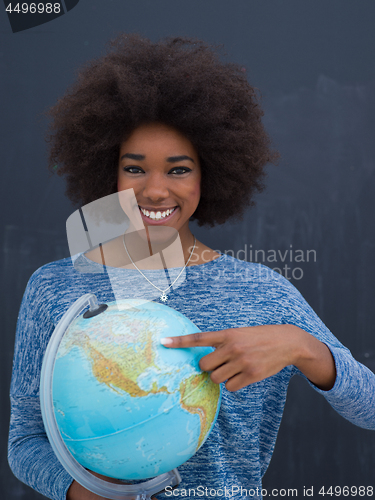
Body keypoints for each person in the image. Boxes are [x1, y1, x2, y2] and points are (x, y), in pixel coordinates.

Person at [8, 33, 375, 500]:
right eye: (135, 168)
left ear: (211, 174)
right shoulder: (55, 287)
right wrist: (84, 493)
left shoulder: (261, 291)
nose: (156, 191)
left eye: (179, 169)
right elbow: (24, 441)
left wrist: (303, 347)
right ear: (108, 172)